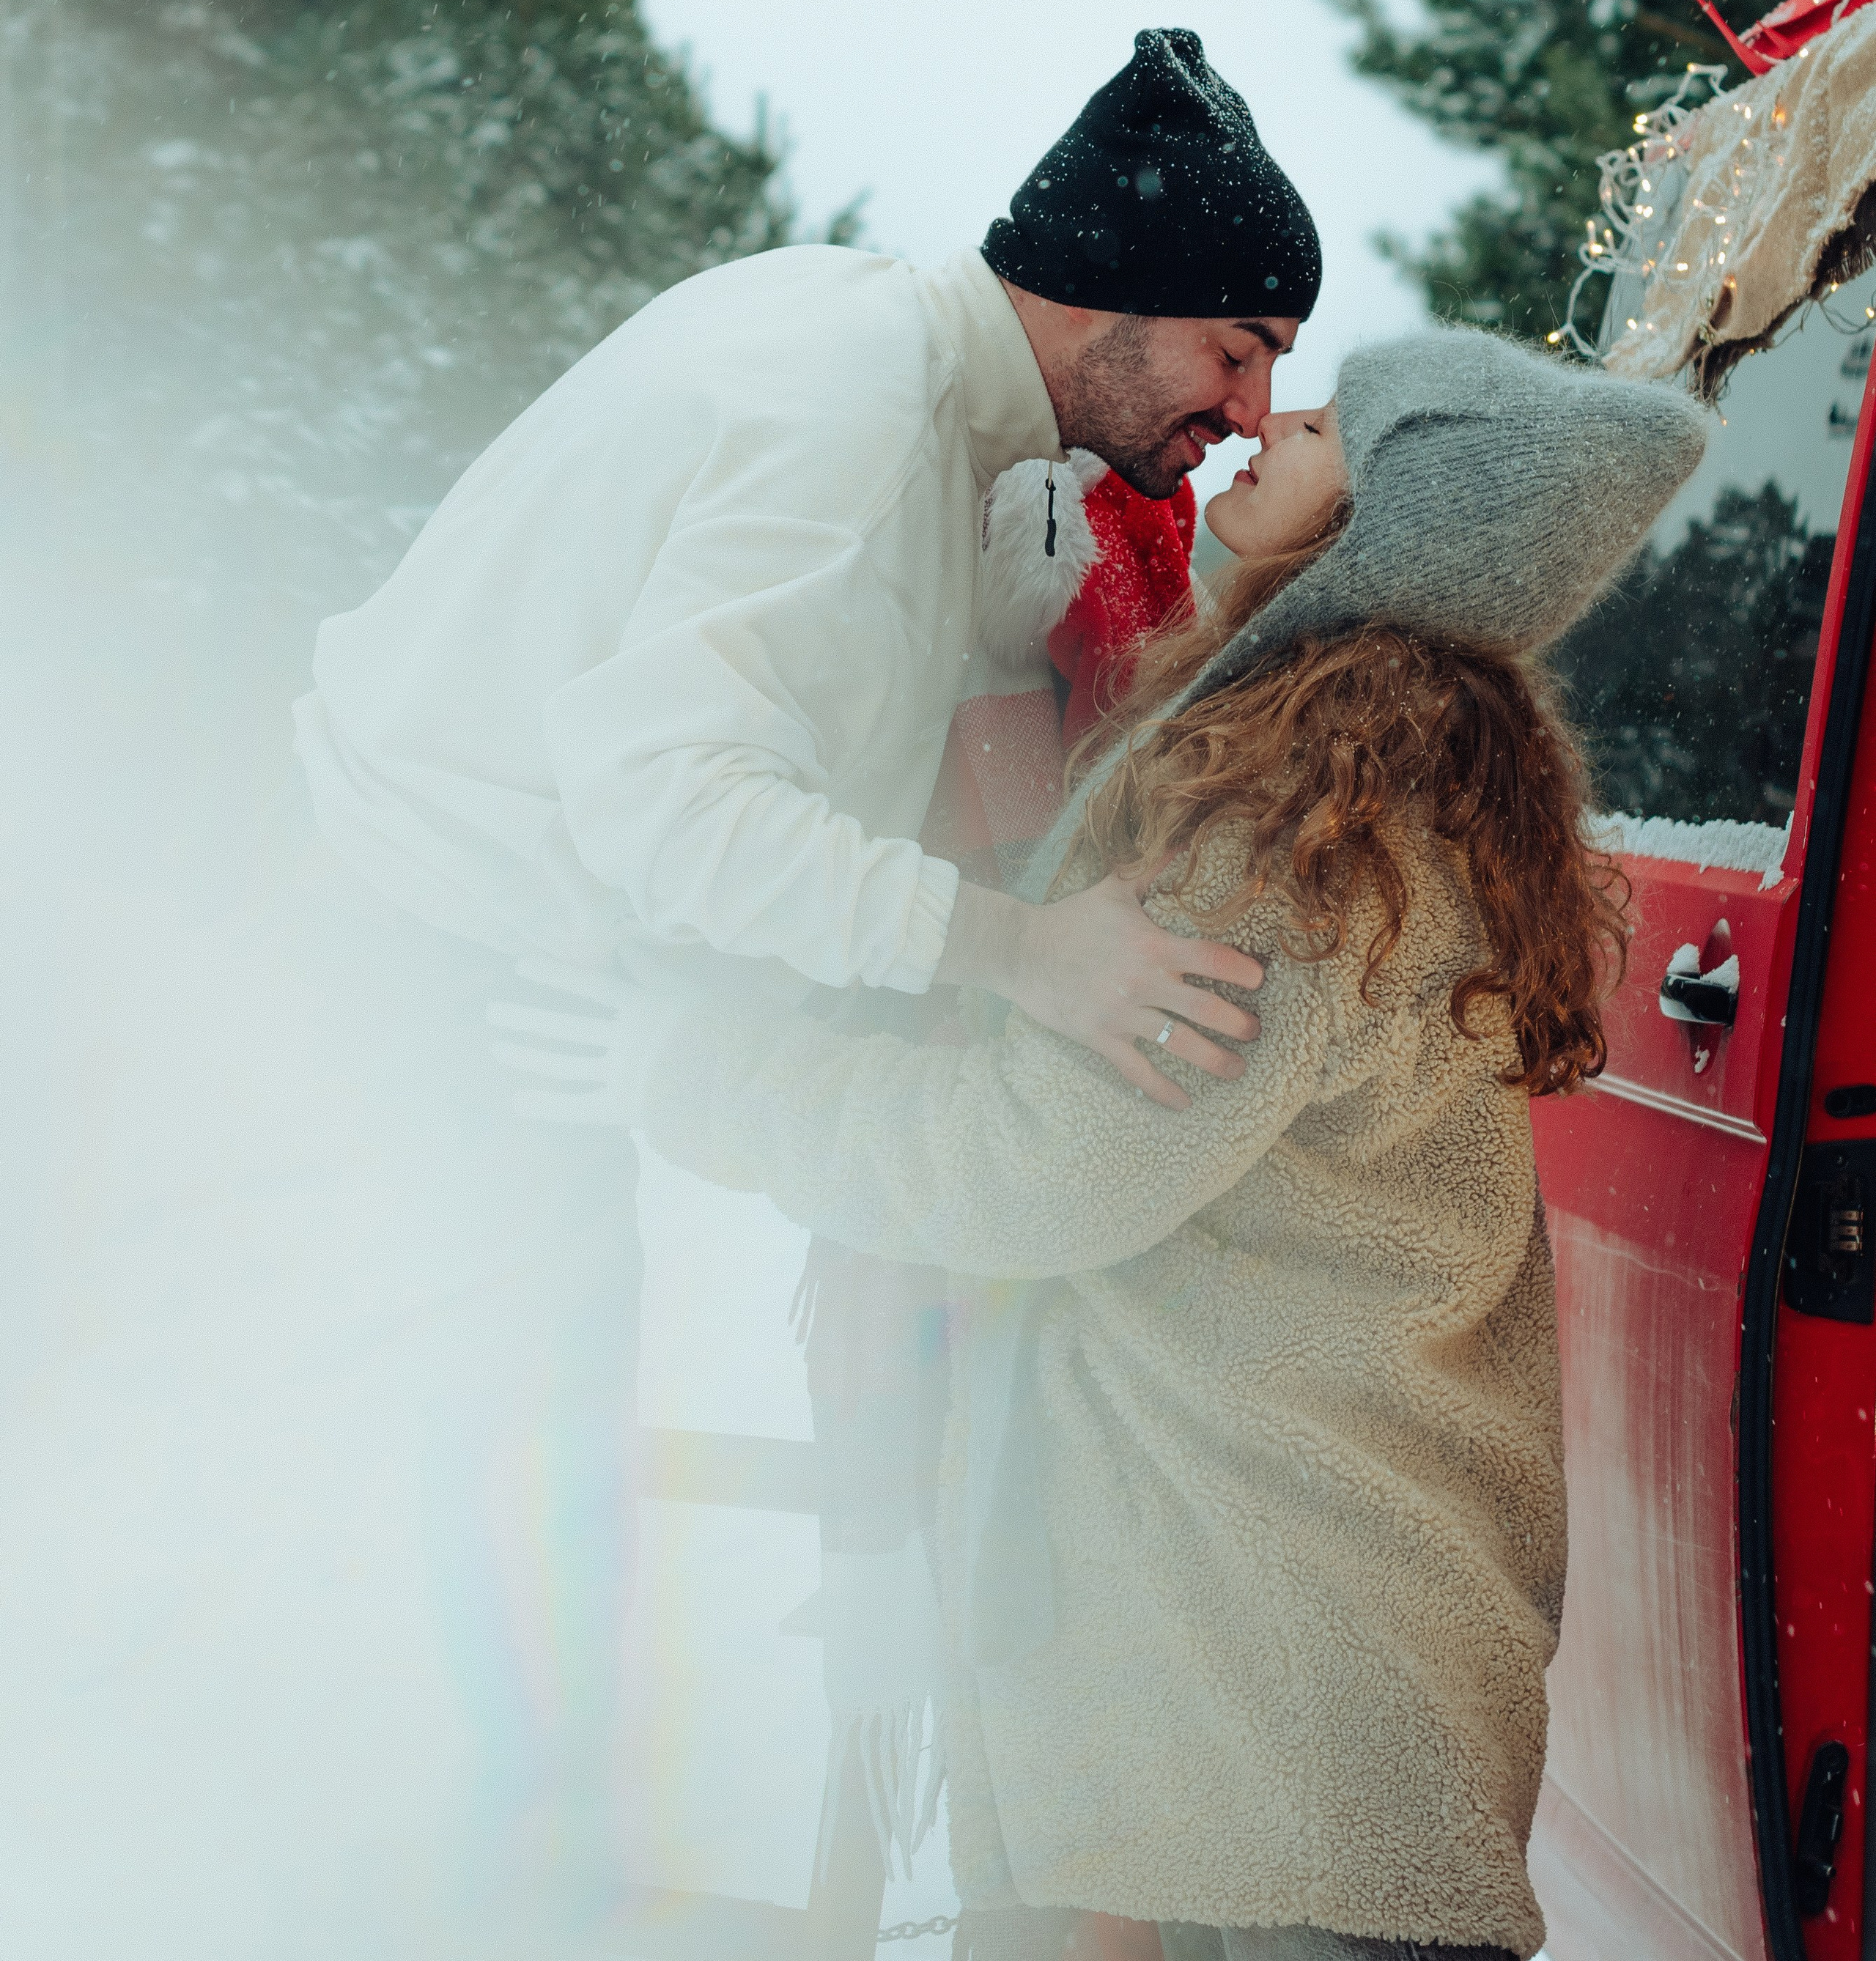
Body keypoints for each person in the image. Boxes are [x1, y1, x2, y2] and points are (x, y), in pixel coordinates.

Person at [534, 325, 1708, 1961]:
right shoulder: (1393, 779)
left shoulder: (1306, 834)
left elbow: (1036, 1157)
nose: (1270, 423)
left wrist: (708, 1075)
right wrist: (997, 682)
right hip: (1317, 1622)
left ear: (1392, 527)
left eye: (1324, 425)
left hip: (1271, 1667)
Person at [294, 26, 1319, 1087]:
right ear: (1099, 288)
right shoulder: (864, 421)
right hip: (434, 970)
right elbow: (671, 803)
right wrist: (1021, 953)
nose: (1254, 413)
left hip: (452, 941)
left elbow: (963, 686)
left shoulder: (924, 382)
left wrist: (1039, 891)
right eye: (1237, 351)